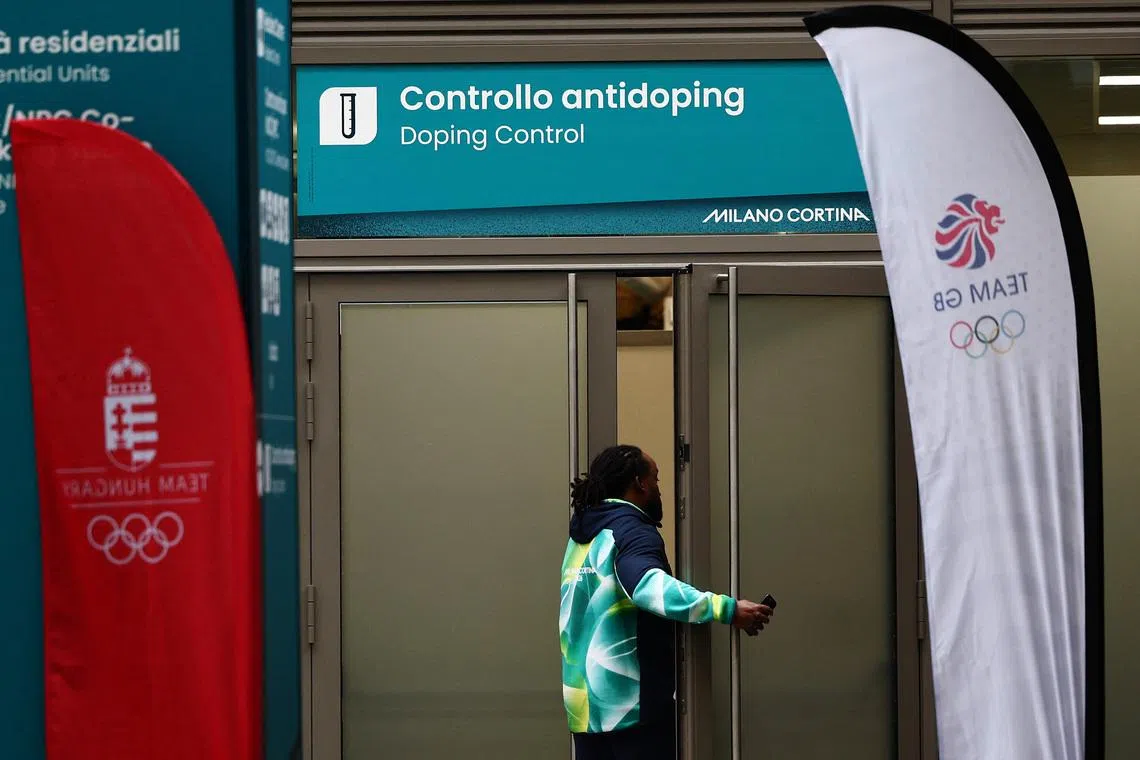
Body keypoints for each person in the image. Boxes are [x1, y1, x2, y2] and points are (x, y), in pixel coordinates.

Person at [559, 444, 773, 759]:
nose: (660, 489)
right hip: (633, 713)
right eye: (656, 479)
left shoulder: (584, 535)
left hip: (586, 711)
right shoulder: (631, 531)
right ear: (640, 482)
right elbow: (648, 586)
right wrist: (725, 608)